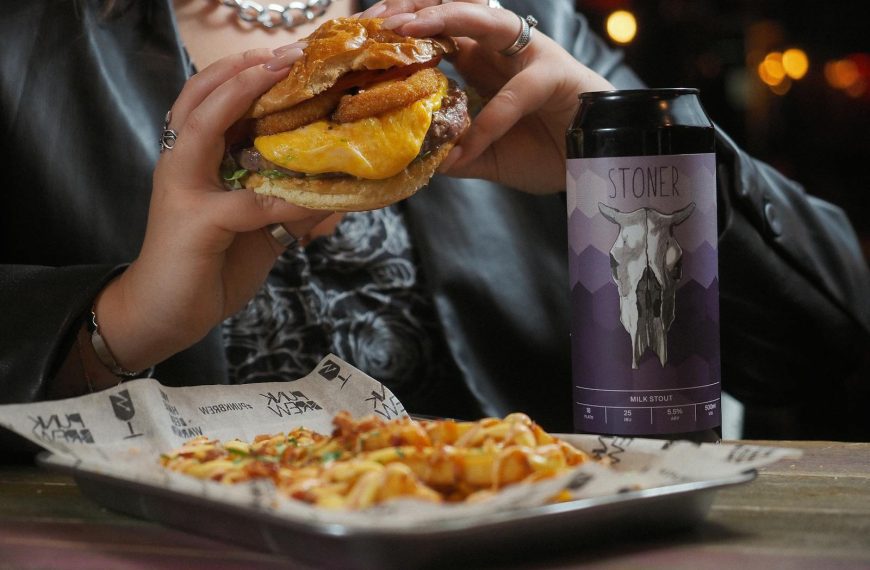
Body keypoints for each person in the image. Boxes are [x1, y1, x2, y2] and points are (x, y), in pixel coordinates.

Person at [1, 0, 868, 459]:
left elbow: (830, 341)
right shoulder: (25, 38)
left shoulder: (522, 23)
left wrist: (634, 153)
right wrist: (115, 326)